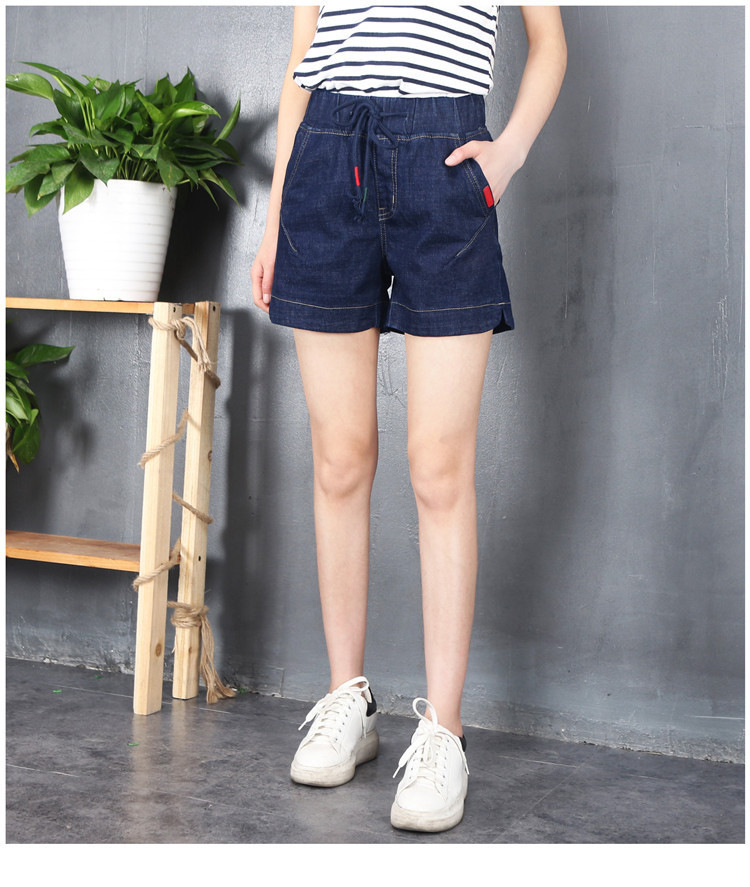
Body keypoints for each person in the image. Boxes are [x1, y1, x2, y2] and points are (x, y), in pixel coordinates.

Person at [251, 4, 566, 833]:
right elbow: (303, 56)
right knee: (339, 457)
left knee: (438, 467)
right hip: (326, 154)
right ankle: (347, 698)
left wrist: (509, 152)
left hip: (445, 157)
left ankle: (444, 732)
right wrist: (277, 213)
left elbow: (549, 40)